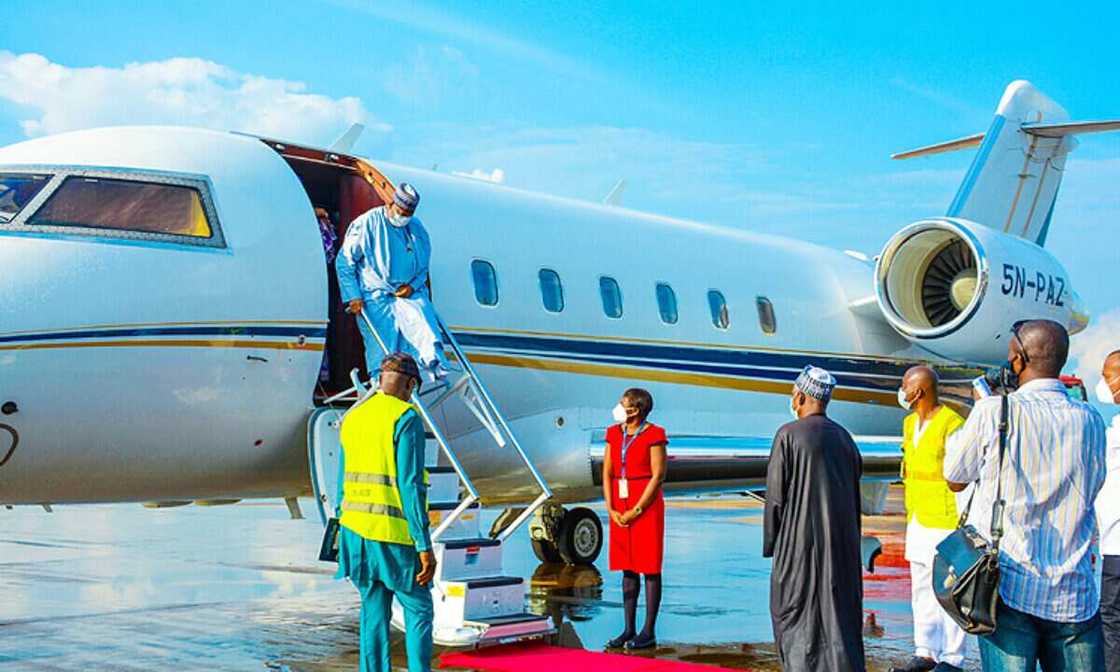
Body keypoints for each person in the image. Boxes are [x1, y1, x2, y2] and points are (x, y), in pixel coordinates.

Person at [944, 320, 1108, 670]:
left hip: (1010, 585)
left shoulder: (994, 412)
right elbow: (1094, 485)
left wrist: (982, 408)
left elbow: (955, 478)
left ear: (1018, 360)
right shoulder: (1091, 419)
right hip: (1073, 590)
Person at [334, 352, 436, 672]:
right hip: (392, 536)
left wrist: (339, 525)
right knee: (419, 609)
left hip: (354, 532)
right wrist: (424, 545)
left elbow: (341, 480)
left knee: (373, 610)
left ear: (379, 380)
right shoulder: (405, 417)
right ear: (410, 384)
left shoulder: (354, 416)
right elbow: (410, 485)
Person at [764, 365, 866, 672]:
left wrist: (772, 543)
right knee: (839, 615)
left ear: (800, 397)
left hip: (798, 545)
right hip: (840, 545)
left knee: (795, 611)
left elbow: (776, 497)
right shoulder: (845, 438)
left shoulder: (788, 435)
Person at [890, 366, 968, 672]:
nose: (901, 391)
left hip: (945, 521)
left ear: (918, 391)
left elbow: (961, 475)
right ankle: (925, 652)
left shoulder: (952, 424)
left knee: (948, 590)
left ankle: (952, 658)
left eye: (905, 386)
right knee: (921, 589)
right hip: (918, 518)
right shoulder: (908, 424)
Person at [335, 183, 449, 382]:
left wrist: (412, 286)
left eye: (408, 214)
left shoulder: (417, 229)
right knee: (382, 348)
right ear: (390, 204)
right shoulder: (367, 223)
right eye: (400, 212)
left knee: (424, 331)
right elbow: (344, 262)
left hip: (408, 295)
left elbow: (423, 268)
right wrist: (353, 295)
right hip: (375, 297)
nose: (402, 217)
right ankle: (381, 383)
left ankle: (428, 370)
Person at [602, 388, 668, 651]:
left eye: (623, 404)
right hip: (620, 504)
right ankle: (628, 628)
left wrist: (638, 510)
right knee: (627, 567)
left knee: (649, 567)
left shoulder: (655, 435)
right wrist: (610, 507)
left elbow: (658, 475)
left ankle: (648, 631)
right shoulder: (613, 433)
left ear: (636, 410)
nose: (618, 408)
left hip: (645, 506)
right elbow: (607, 472)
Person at [1096, 350, 1120, 670]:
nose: (1103, 382)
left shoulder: (1115, 433)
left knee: (1112, 618)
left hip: (1117, 543)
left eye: (1107, 375)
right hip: (1111, 540)